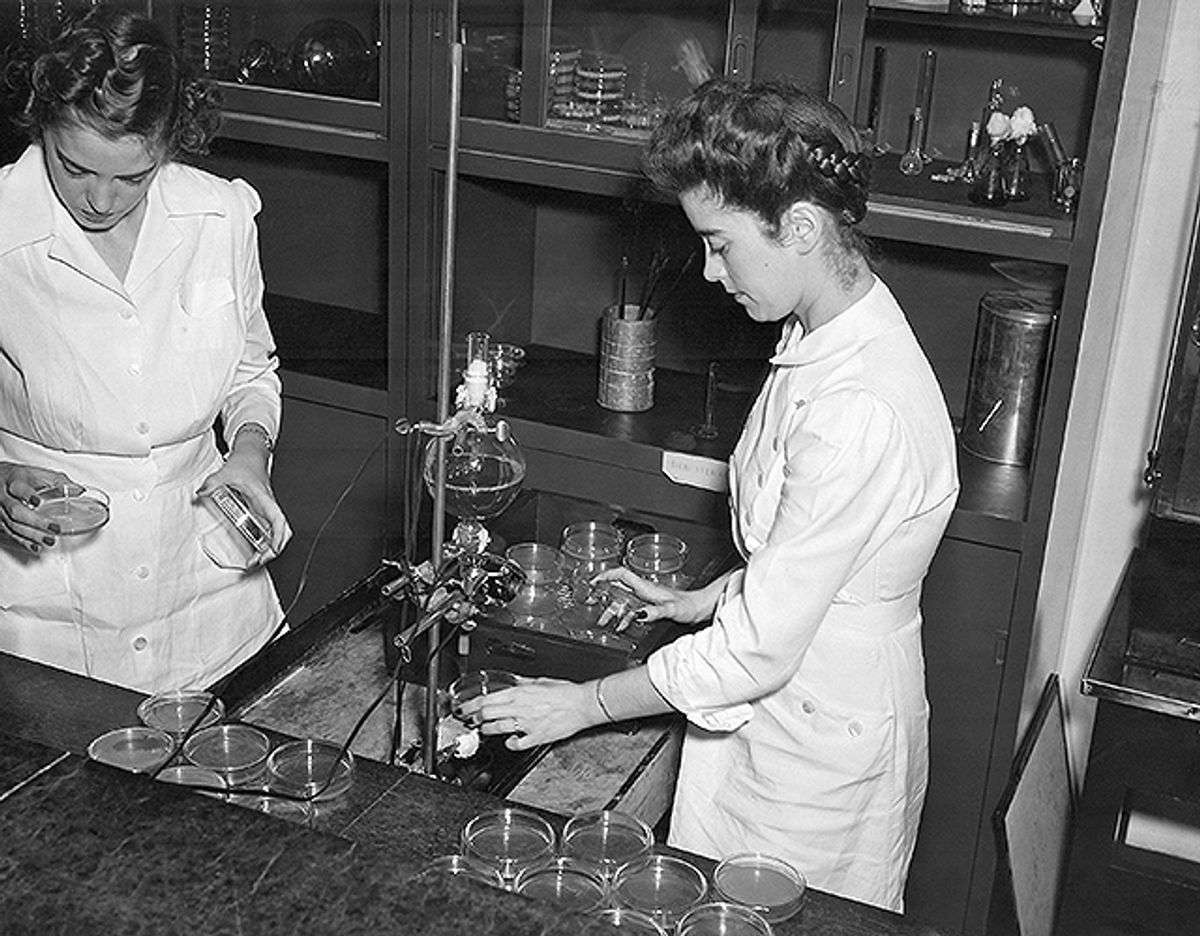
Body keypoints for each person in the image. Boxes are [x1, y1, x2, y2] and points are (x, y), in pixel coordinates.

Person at [459, 78, 959, 912]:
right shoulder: (818, 330)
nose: (708, 270)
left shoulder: (858, 405)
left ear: (799, 227)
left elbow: (767, 641)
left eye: (721, 244)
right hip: (784, 715)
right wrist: (700, 600)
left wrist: (583, 704)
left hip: (819, 752)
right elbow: (814, 560)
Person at [0, 5, 291, 694]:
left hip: (205, 595)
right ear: (41, 123)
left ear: (167, 143)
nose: (100, 199)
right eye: (75, 168)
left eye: (132, 177)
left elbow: (252, 373)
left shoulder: (218, 216)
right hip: (48, 606)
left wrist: (249, 456)